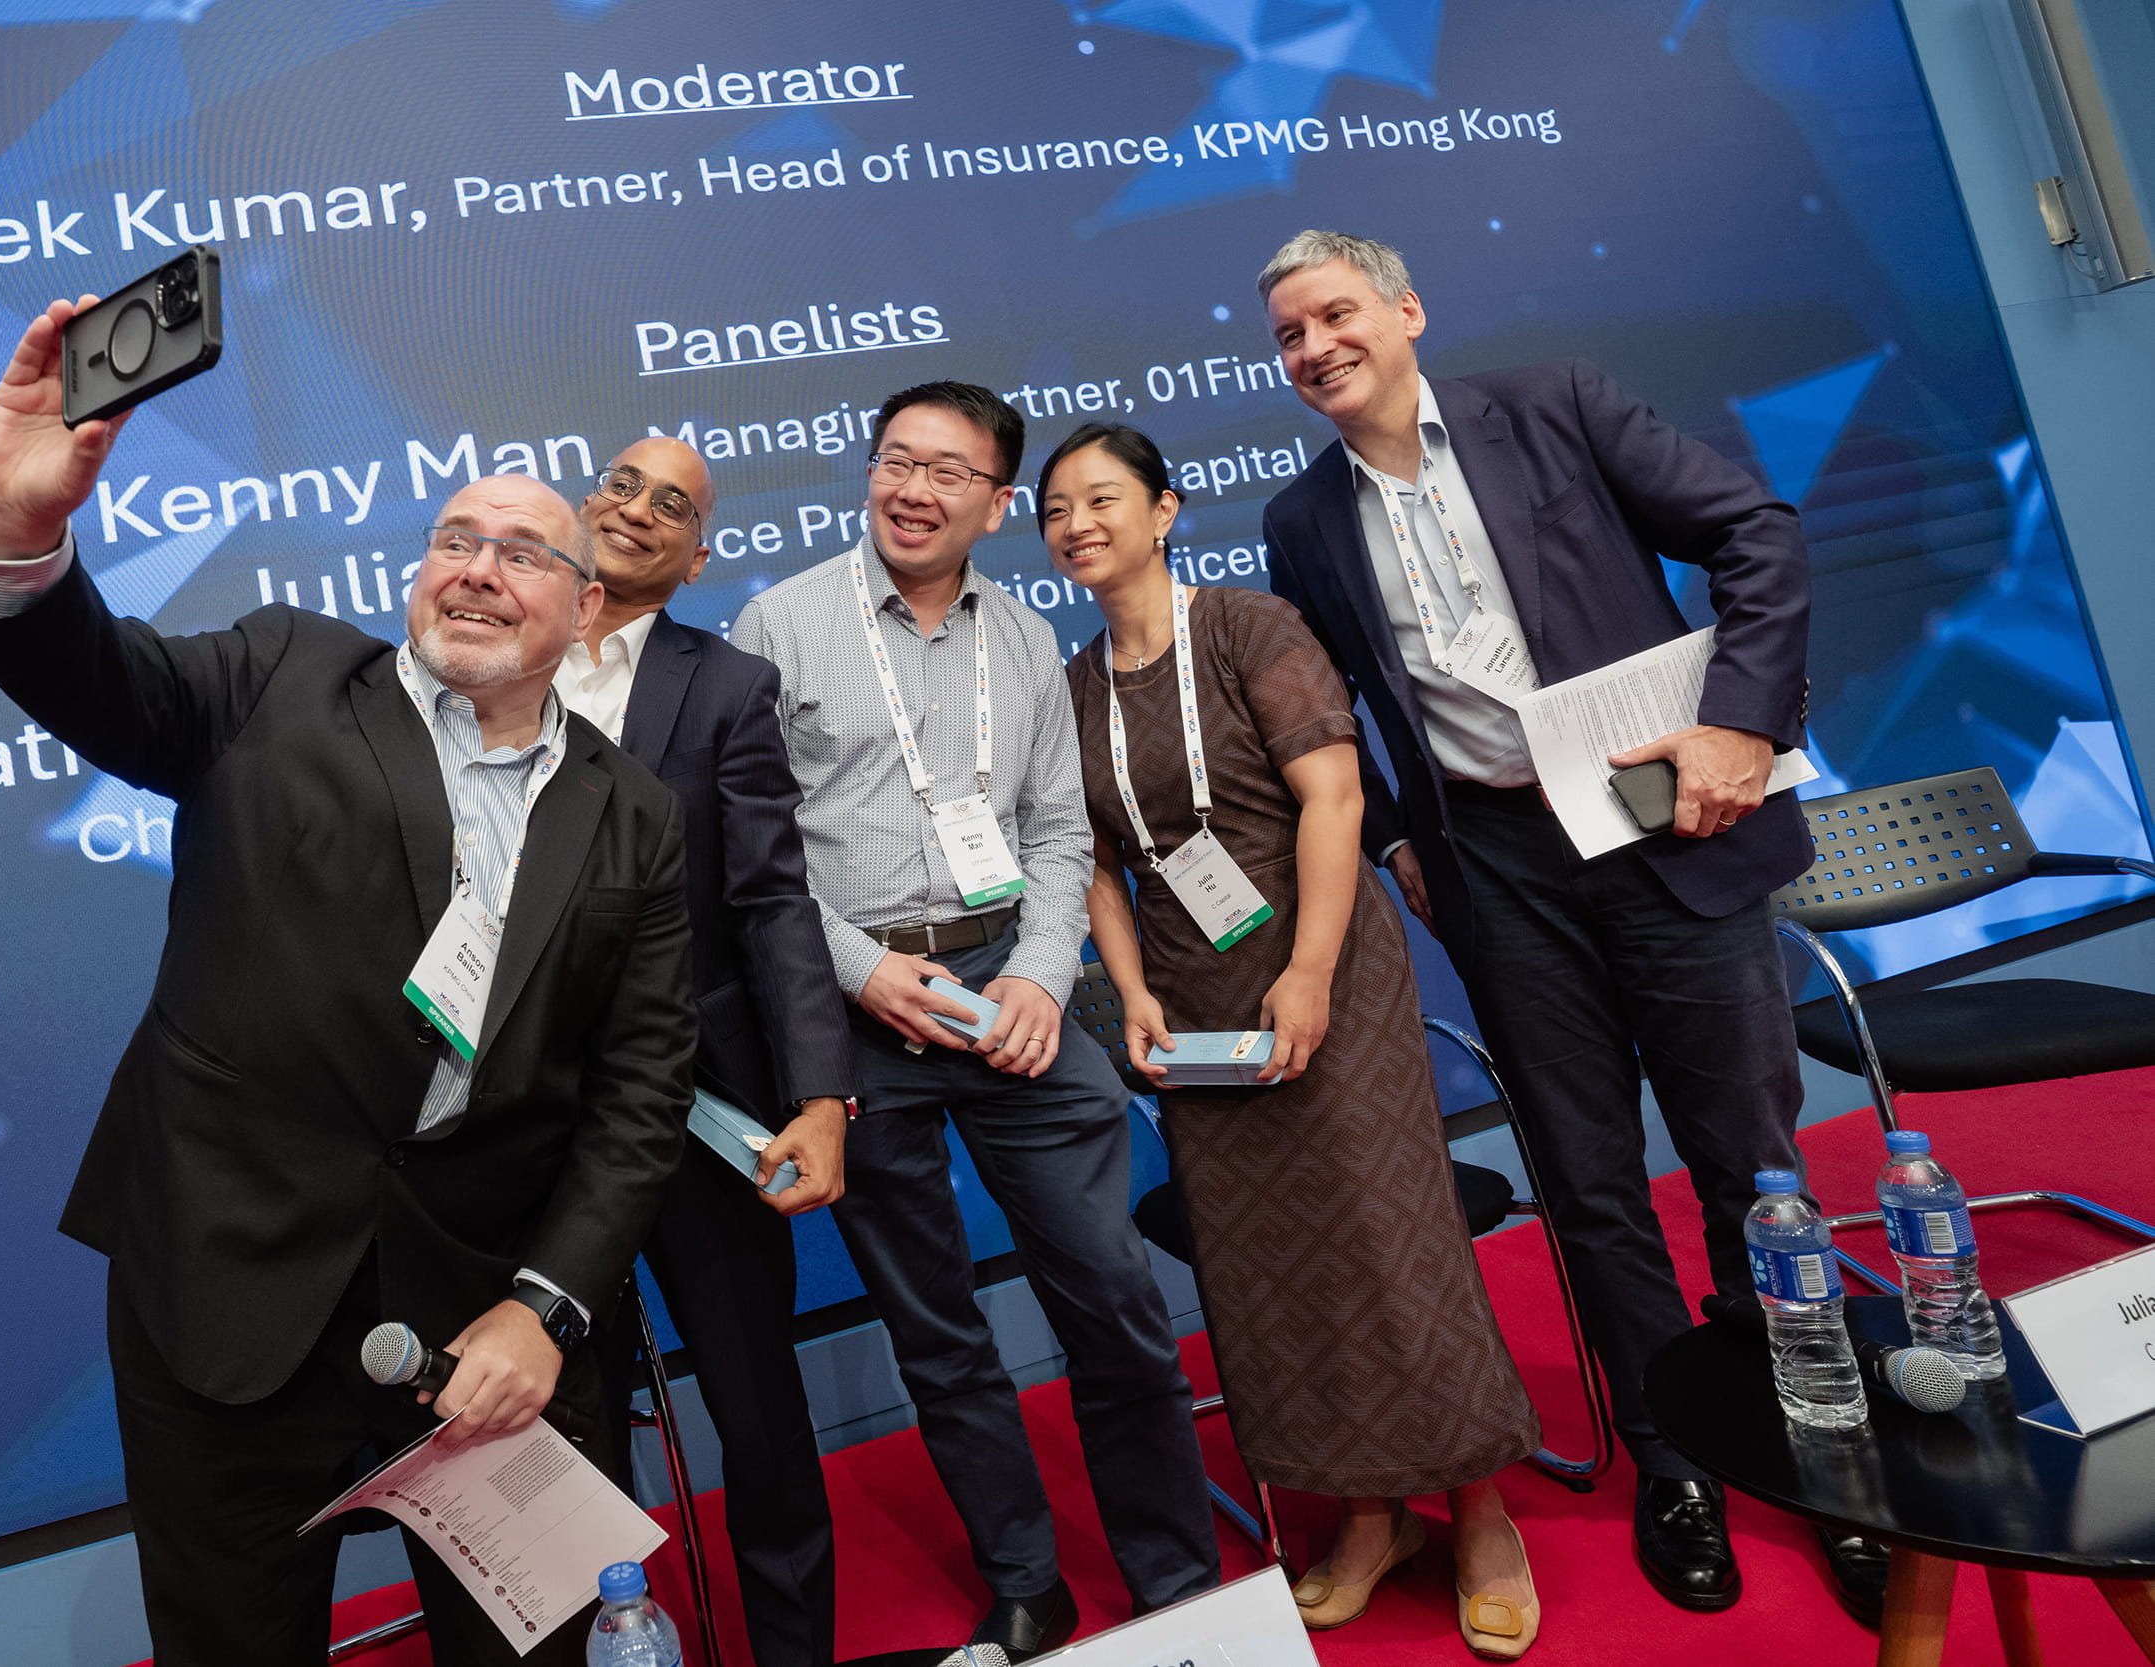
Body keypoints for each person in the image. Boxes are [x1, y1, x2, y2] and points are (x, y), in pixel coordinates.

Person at [0, 299, 698, 1666]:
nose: (477, 569)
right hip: (229, 1294)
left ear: (585, 609)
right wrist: (15, 527)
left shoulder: (633, 811)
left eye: (523, 551)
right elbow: (99, 678)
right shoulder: (280, 673)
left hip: (483, 1326)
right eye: (454, 538)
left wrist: (546, 1302)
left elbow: (640, 1092)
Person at [1252, 231, 1880, 1624]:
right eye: (1289, 335)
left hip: (1666, 823)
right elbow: (1335, 708)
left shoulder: (1557, 405)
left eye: (1335, 314)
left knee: (1749, 1161)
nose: (1314, 348)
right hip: (1500, 868)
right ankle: (1676, 1454)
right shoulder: (1302, 522)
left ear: (1407, 310)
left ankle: (1823, 1447)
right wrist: (1402, 835)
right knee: (1590, 1181)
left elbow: (1757, 533)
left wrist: (1739, 721)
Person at [730, 383, 1222, 1658]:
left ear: (996, 504)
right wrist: (858, 970)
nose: (914, 489)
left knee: (1113, 1297)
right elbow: (751, 847)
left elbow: (1057, 831)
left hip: (1009, 991)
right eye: (896, 460)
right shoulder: (779, 624)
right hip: (857, 1018)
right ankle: (1026, 1582)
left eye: (950, 472)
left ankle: (1179, 1588)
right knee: (936, 1330)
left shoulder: (1023, 635)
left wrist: (1043, 974)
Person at [1041, 421, 1544, 1660]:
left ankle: (1480, 1510)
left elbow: (1334, 795)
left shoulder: (1248, 627)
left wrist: (1309, 971)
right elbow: (1092, 861)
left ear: (1165, 510)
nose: (1076, 525)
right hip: (1193, 1003)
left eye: (1101, 498)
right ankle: (1370, 1515)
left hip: (1324, 968)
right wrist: (1128, 990)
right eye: (1054, 510)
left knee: (1386, 1240)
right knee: (1269, 1268)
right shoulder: (1071, 684)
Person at [560, 436, 854, 1667]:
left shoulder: (726, 684)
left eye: (672, 504)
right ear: (584, 504)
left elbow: (774, 900)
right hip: (528, 1118)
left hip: (696, 1107)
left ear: (696, 558)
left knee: (755, 1402)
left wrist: (821, 1092)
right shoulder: (487, 655)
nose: (639, 508)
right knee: (564, 1425)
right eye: (622, 484)